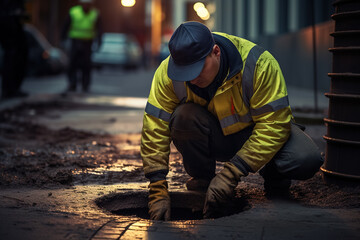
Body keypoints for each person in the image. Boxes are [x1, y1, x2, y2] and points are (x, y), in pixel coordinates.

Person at [140, 21, 323, 220]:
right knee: (183, 117)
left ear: (216, 52)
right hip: (216, 137)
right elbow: (154, 127)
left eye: (197, 70)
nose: (192, 80)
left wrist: (231, 174)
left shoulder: (259, 64)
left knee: (305, 158)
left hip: (255, 135)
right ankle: (202, 182)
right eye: (185, 73)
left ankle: (275, 178)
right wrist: (157, 186)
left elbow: (274, 125)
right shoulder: (167, 73)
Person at [61, 0, 102, 93]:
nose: (86, 6)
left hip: (88, 42)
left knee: (86, 65)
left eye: (88, 4)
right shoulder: (74, 12)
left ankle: (85, 85)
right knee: (72, 63)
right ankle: (72, 83)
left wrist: (99, 41)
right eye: (85, 4)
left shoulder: (95, 14)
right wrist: (63, 38)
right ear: (81, 4)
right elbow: (66, 26)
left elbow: (100, 28)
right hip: (75, 41)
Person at [0, 0, 28, 99]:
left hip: (12, 23)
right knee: (12, 55)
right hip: (8, 23)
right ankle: (9, 89)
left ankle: (11, 88)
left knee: (15, 55)